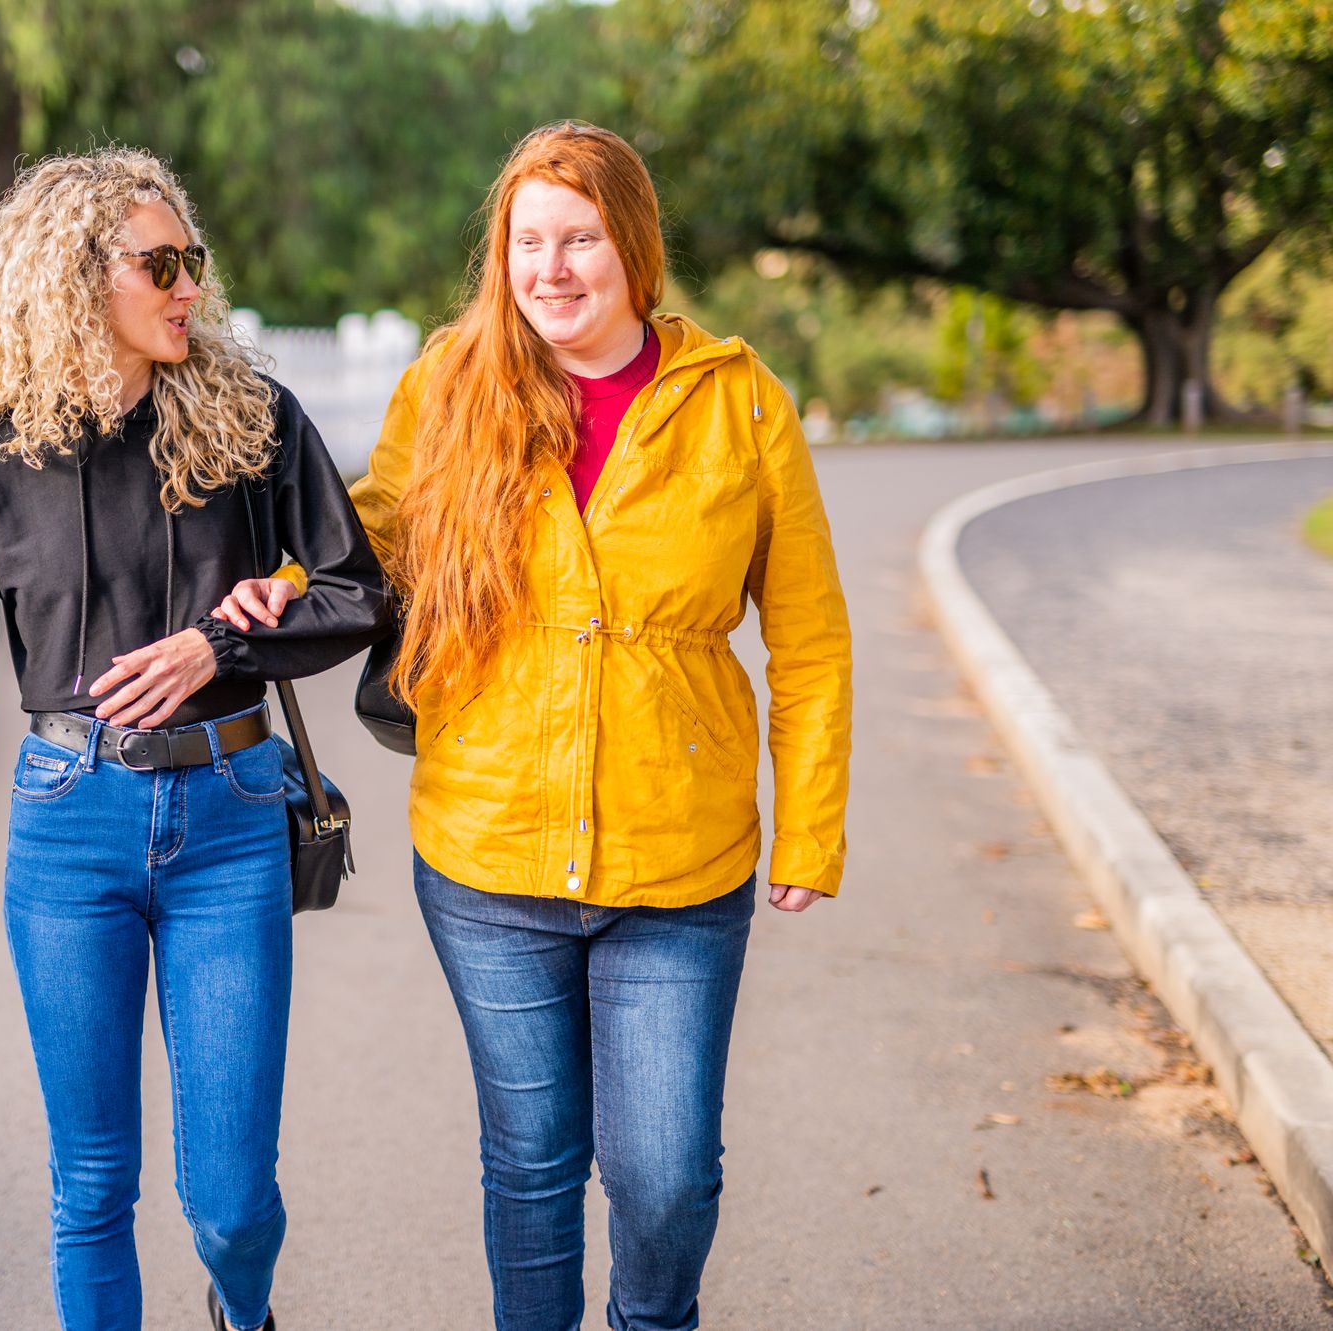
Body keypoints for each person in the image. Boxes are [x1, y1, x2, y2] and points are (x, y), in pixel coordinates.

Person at [213, 122, 852, 1329]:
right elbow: (375, 528)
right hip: (488, 846)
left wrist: (808, 830)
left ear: (634, 246)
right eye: (527, 241)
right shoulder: (448, 382)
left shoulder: (737, 405)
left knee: (664, 1178)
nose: (550, 268)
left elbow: (809, 639)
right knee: (532, 1164)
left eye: (580, 239)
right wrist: (288, 580)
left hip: (679, 855)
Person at [0, 147, 388, 1331]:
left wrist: (222, 643)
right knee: (91, 1185)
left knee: (229, 1198)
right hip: (70, 825)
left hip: (228, 818)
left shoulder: (252, 422)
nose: (186, 289)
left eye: (190, 261)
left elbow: (356, 591)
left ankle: (240, 1308)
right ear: (72, 274)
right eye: (159, 264)